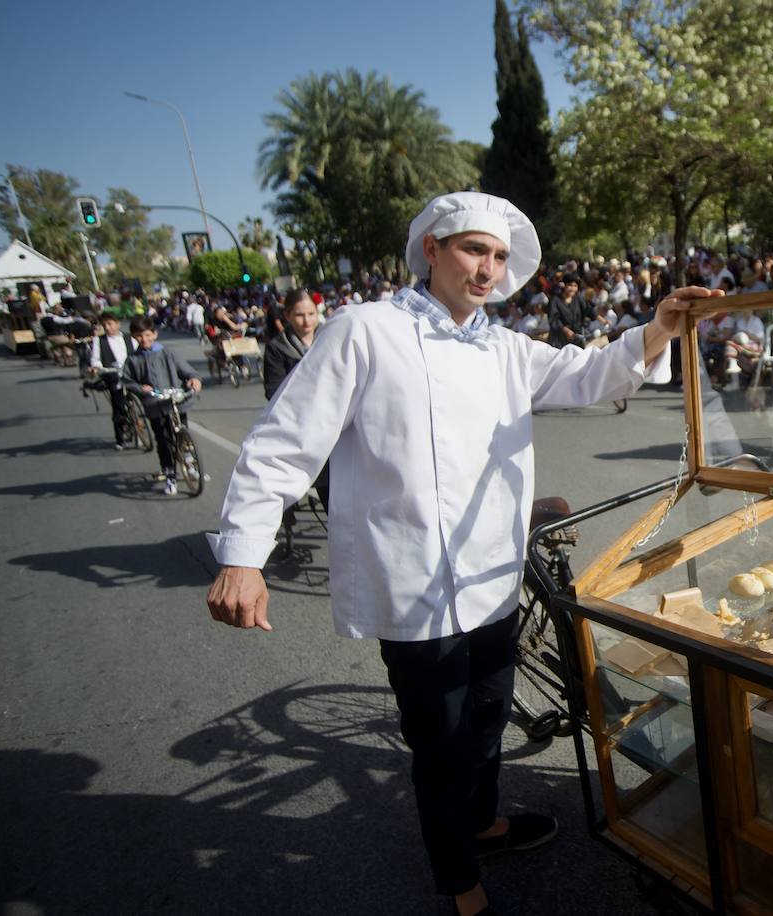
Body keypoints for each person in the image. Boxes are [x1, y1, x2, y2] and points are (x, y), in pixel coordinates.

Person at [203, 191, 717, 916]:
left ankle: (484, 824)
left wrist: (657, 328)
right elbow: (285, 443)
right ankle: (457, 878)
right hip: (411, 585)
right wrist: (243, 556)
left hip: (493, 576)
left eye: (499, 256)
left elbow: (586, 373)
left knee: (486, 716)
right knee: (440, 747)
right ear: (433, 251)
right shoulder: (363, 331)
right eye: (475, 249)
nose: (488, 267)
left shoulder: (503, 347)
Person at [263, 288, 331, 518]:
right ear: (288, 316)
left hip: (335, 418)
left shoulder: (330, 337)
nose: (307, 321)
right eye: (300, 315)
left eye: (311, 314)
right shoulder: (277, 348)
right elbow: (273, 390)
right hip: (299, 424)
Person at [121, 316, 202, 495]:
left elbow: (186, 370)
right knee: (164, 441)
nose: (145, 339)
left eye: (148, 335)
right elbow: (127, 380)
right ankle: (170, 475)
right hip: (154, 405)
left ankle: (190, 467)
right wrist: (141, 388)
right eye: (139, 336)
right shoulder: (133, 360)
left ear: (155, 334)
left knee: (183, 436)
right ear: (134, 337)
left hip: (175, 401)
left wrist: (193, 379)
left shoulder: (168, 353)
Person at [86, 311, 138, 449]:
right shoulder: (99, 340)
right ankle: (120, 438)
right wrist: (96, 367)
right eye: (105, 325)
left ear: (117, 324)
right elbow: (96, 359)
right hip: (113, 374)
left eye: (110, 324)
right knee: (118, 405)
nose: (108, 327)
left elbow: (139, 353)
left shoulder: (129, 338)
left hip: (131, 374)